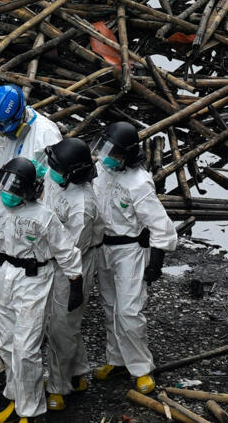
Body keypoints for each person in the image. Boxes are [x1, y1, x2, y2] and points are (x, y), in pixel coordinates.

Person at [0, 157, 83, 423]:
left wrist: (75, 281)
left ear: (28, 191)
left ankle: (31, 410)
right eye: (5, 187)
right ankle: (15, 400)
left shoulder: (43, 216)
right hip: (5, 274)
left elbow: (64, 249)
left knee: (26, 348)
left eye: (15, 190)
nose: (8, 194)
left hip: (34, 277)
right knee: (7, 344)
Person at [91, 121, 178, 394]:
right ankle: (116, 359)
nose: (106, 156)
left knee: (129, 311)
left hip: (129, 250)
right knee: (109, 306)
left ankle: (141, 368)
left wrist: (156, 260)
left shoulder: (138, 182)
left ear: (126, 155)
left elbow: (160, 225)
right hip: (104, 247)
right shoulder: (100, 171)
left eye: (112, 153)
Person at [41, 137, 100, 411]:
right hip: (51, 255)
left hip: (73, 262)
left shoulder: (84, 204)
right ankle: (78, 373)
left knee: (62, 326)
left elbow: (72, 248)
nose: (51, 171)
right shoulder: (58, 177)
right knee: (61, 322)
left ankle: (58, 386)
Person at [0, 85, 61, 202]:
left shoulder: (46, 134)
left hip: (25, 206)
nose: (3, 134)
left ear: (21, 116)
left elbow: (56, 183)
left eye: (8, 129)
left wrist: (44, 175)